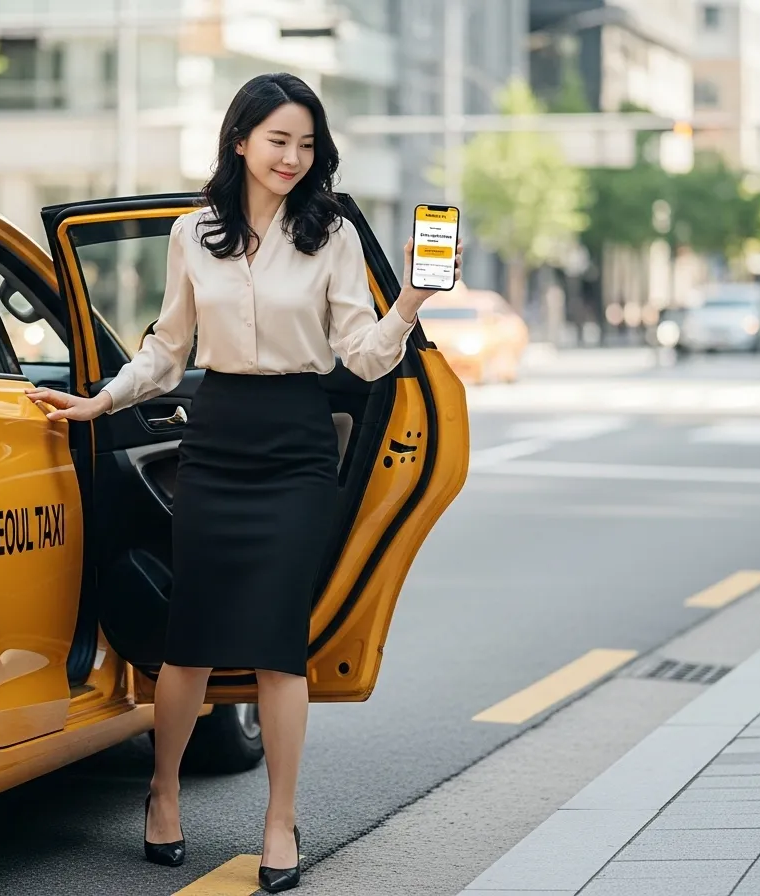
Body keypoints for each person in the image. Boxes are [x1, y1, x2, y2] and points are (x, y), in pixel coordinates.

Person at [26, 72, 460, 892]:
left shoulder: (328, 235)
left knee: (276, 649)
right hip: (217, 437)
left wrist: (408, 301)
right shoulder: (193, 234)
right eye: (277, 141)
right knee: (188, 640)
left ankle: (280, 822)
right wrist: (101, 399)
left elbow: (361, 357)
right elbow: (166, 348)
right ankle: (162, 796)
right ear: (240, 142)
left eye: (305, 144)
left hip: (297, 445)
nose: (292, 157)